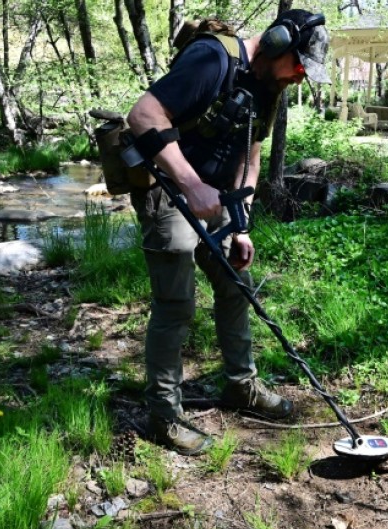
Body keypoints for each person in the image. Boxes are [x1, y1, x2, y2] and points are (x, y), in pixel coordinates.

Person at [126, 9, 330, 455]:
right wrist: (191, 184)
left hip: (215, 198)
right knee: (176, 305)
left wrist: (242, 227)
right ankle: (163, 416)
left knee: (237, 284)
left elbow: (249, 161)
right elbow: (143, 115)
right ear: (277, 43)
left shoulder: (267, 88)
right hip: (170, 190)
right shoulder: (211, 59)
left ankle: (241, 386)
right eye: (298, 66)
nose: (299, 77)